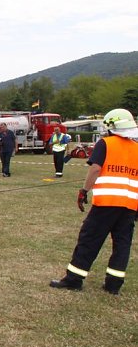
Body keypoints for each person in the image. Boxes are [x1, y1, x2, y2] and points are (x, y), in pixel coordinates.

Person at [50, 108, 138, 295]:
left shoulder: (105, 144)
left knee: (89, 239)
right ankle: (113, 285)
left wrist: (84, 190)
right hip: (130, 206)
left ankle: (74, 279)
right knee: (122, 244)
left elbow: (96, 169)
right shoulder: (136, 148)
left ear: (111, 126)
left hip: (107, 203)